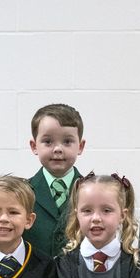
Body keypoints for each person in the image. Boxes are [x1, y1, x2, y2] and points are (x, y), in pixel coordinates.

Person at [25, 103, 84, 257]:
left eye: (67, 141)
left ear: (80, 146)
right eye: (48, 141)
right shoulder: (21, 193)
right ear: (34, 146)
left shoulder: (93, 192)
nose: (58, 149)